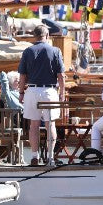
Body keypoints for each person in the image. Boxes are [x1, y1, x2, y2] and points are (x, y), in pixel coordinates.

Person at [18, 25, 65, 166]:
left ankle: (34, 156)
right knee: (50, 124)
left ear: (34, 36)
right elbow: (61, 75)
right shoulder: (55, 51)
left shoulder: (27, 51)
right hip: (49, 91)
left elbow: (22, 76)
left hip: (32, 90)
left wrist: (21, 93)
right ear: (47, 35)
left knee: (34, 125)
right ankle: (50, 157)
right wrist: (62, 91)